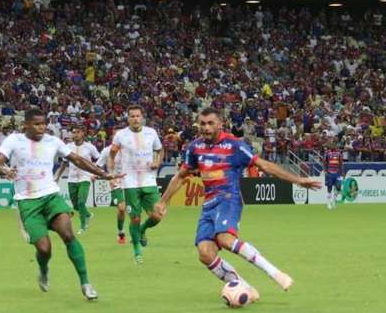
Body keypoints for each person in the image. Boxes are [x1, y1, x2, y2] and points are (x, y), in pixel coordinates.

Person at [155, 107, 321, 298]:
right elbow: (180, 176)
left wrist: (298, 180)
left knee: (225, 239)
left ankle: (275, 273)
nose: (206, 128)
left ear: (220, 124)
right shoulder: (194, 148)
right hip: (209, 204)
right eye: (202, 123)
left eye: (210, 123)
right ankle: (245, 288)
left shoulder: (234, 145)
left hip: (229, 198)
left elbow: (264, 165)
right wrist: (163, 202)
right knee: (205, 253)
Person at [0, 109, 121, 300]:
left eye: (43, 123)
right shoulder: (14, 140)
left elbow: (77, 159)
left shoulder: (53, 141)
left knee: (68, 235)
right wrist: (4, 170)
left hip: (51, 196)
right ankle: (43, 269)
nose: (41, 127)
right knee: (44, 249)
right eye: (36, 124)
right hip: (27, 202)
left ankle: (86, 283)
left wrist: (103, 174)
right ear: (25, 125)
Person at [108, 105, 164, 263]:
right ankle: (137, 251)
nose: (135, 119)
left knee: (158, 215)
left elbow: (160, 151)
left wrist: (157, 162)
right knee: (135, 218)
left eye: (138, 116)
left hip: (149, 181)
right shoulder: (120, 135)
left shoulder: (151, 133)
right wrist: (111, 174)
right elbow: (111, 155)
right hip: (130, 182)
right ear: (128, 118)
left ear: (142, 117)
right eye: (132, 116)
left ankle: (142, 230)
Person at [54, 124, 100, 234]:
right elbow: (64, 163)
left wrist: (95, 174)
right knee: (75, 206)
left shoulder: (90, 147)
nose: (75, 134)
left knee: (81, 202)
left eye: (78, 132)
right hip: (72, 179)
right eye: (73, 132)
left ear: (83, 133)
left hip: (86, 177)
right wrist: (57, 176)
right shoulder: (68, 147)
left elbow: (99, 160)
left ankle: (83, 226)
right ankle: (88, 214)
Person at [97, 141, 127, 244]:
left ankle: (137, 234)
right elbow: (98, 166)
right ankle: (120, 231)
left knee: (134, 211)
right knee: (122, 208)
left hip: (131, 182)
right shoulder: (106, 151)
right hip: (116, 183)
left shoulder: (129, 149)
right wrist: (108, 177)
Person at [323, 143, 343, 209]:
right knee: (329, 188)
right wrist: (325, 171)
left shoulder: (339, 154)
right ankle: (328, 203)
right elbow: (324, 162)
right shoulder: (327, 154)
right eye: (332, 145)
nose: (334, 146)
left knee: (339, 187)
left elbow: (341, 163)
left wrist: (342, 172)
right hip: (329, 173)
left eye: (335, 145)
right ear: (330, 146)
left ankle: (334, 200)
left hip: (337, 173)